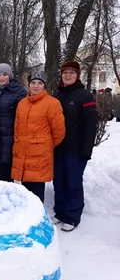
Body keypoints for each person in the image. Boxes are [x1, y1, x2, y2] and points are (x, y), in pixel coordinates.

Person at [52, 61, 98, 232]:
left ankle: (72, 216)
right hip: (58, 148)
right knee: (59, 181)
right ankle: (60, 212)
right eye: (65, 72)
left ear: (77, 75)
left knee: (73, 182)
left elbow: (91, 125)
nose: (68, 75)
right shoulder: (56, 96)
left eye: (72, 72)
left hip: (76, 150)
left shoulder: (84, 96)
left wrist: (86, 149)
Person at [11, 71, 65, 202]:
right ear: (28, 85)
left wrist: (45, 144)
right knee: (25, 191)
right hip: (23, 153)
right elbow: (17, 128)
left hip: (39, 155)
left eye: (40, 83)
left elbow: (59, 131)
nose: (36, 86)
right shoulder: (22, 103)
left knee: (37, 191)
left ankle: (38, 217)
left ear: (44, 85)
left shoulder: (52, 103)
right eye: (33, 83)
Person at [0, 63, 27, 182]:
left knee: (10, 175)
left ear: (9, 75)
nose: (1, 77)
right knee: (2, 172)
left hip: (12, 138)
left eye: (4, 74)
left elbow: (23, 116)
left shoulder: (19, 92)